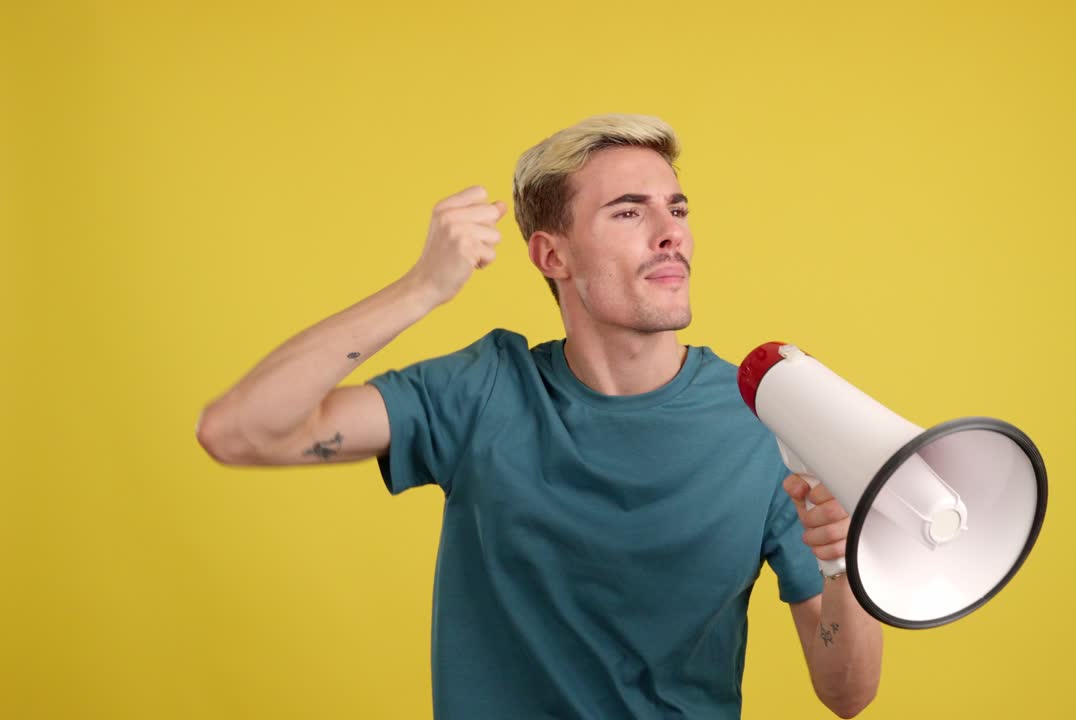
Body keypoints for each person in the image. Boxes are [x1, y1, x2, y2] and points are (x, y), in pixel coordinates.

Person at [196, 114, 883, 718]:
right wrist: (421, 289)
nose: (670, 233)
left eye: (677, 208)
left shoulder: (765, 415)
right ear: (552, 255)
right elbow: (237, 431)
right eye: (628, 212)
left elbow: (846, 695)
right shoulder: (482, 392)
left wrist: (841, 569)